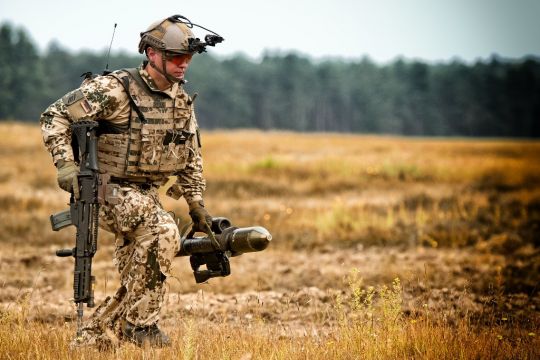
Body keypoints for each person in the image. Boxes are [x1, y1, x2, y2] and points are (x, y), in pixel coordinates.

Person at [40, 15, 218, 348]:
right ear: (152, 54)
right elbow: (56, 115)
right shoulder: (114, 89)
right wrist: (65, 165)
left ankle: (94, 340)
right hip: (104, 190)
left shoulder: (181, 102)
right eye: (176, 57)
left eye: (188, 58)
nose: (183, 65)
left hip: (145, 196)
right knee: (164, 231)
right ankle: (141, 328)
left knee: (142, 276)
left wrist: (196, 204)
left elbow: (190, 155)